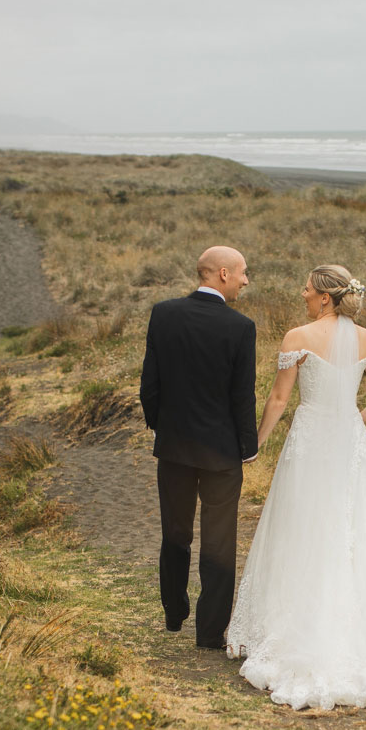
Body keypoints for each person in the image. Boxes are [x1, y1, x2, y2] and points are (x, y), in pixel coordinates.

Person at [225, 264, 366, 709]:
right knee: (351, 525)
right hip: (348, 442)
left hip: (309, 439)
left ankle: (298, 625)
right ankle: (358, 626)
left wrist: (255, 444)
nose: (302, 293)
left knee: (303, 523)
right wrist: (353, 422)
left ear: (325, 297)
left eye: (307, 288)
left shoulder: (298, 336)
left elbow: (280, 399)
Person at [139, 245, 257, 649]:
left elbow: (149, 384)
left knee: (175, 532)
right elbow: (242, 397)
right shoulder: (241, 327)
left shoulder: (163, 314)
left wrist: (162, 428)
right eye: (242, 273)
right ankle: (209, 633)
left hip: (174, 446)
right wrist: (248, 446)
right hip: (222, 452)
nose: (245, 280)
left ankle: (174, 610)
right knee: (219, 540)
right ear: (222, 274)